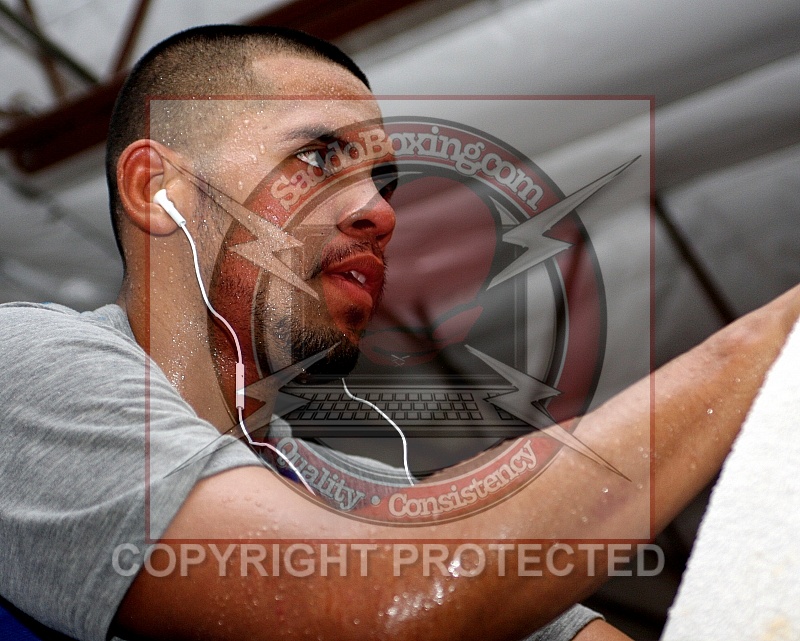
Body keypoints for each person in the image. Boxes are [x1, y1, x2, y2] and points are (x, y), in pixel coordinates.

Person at [0, 24, 797, 641]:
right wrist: (762, 344)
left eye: (383, 182)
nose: (380, 212)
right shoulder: (25, 366)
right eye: (319, 157)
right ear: (157, 188)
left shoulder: (363, 494)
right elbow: (375, 603)